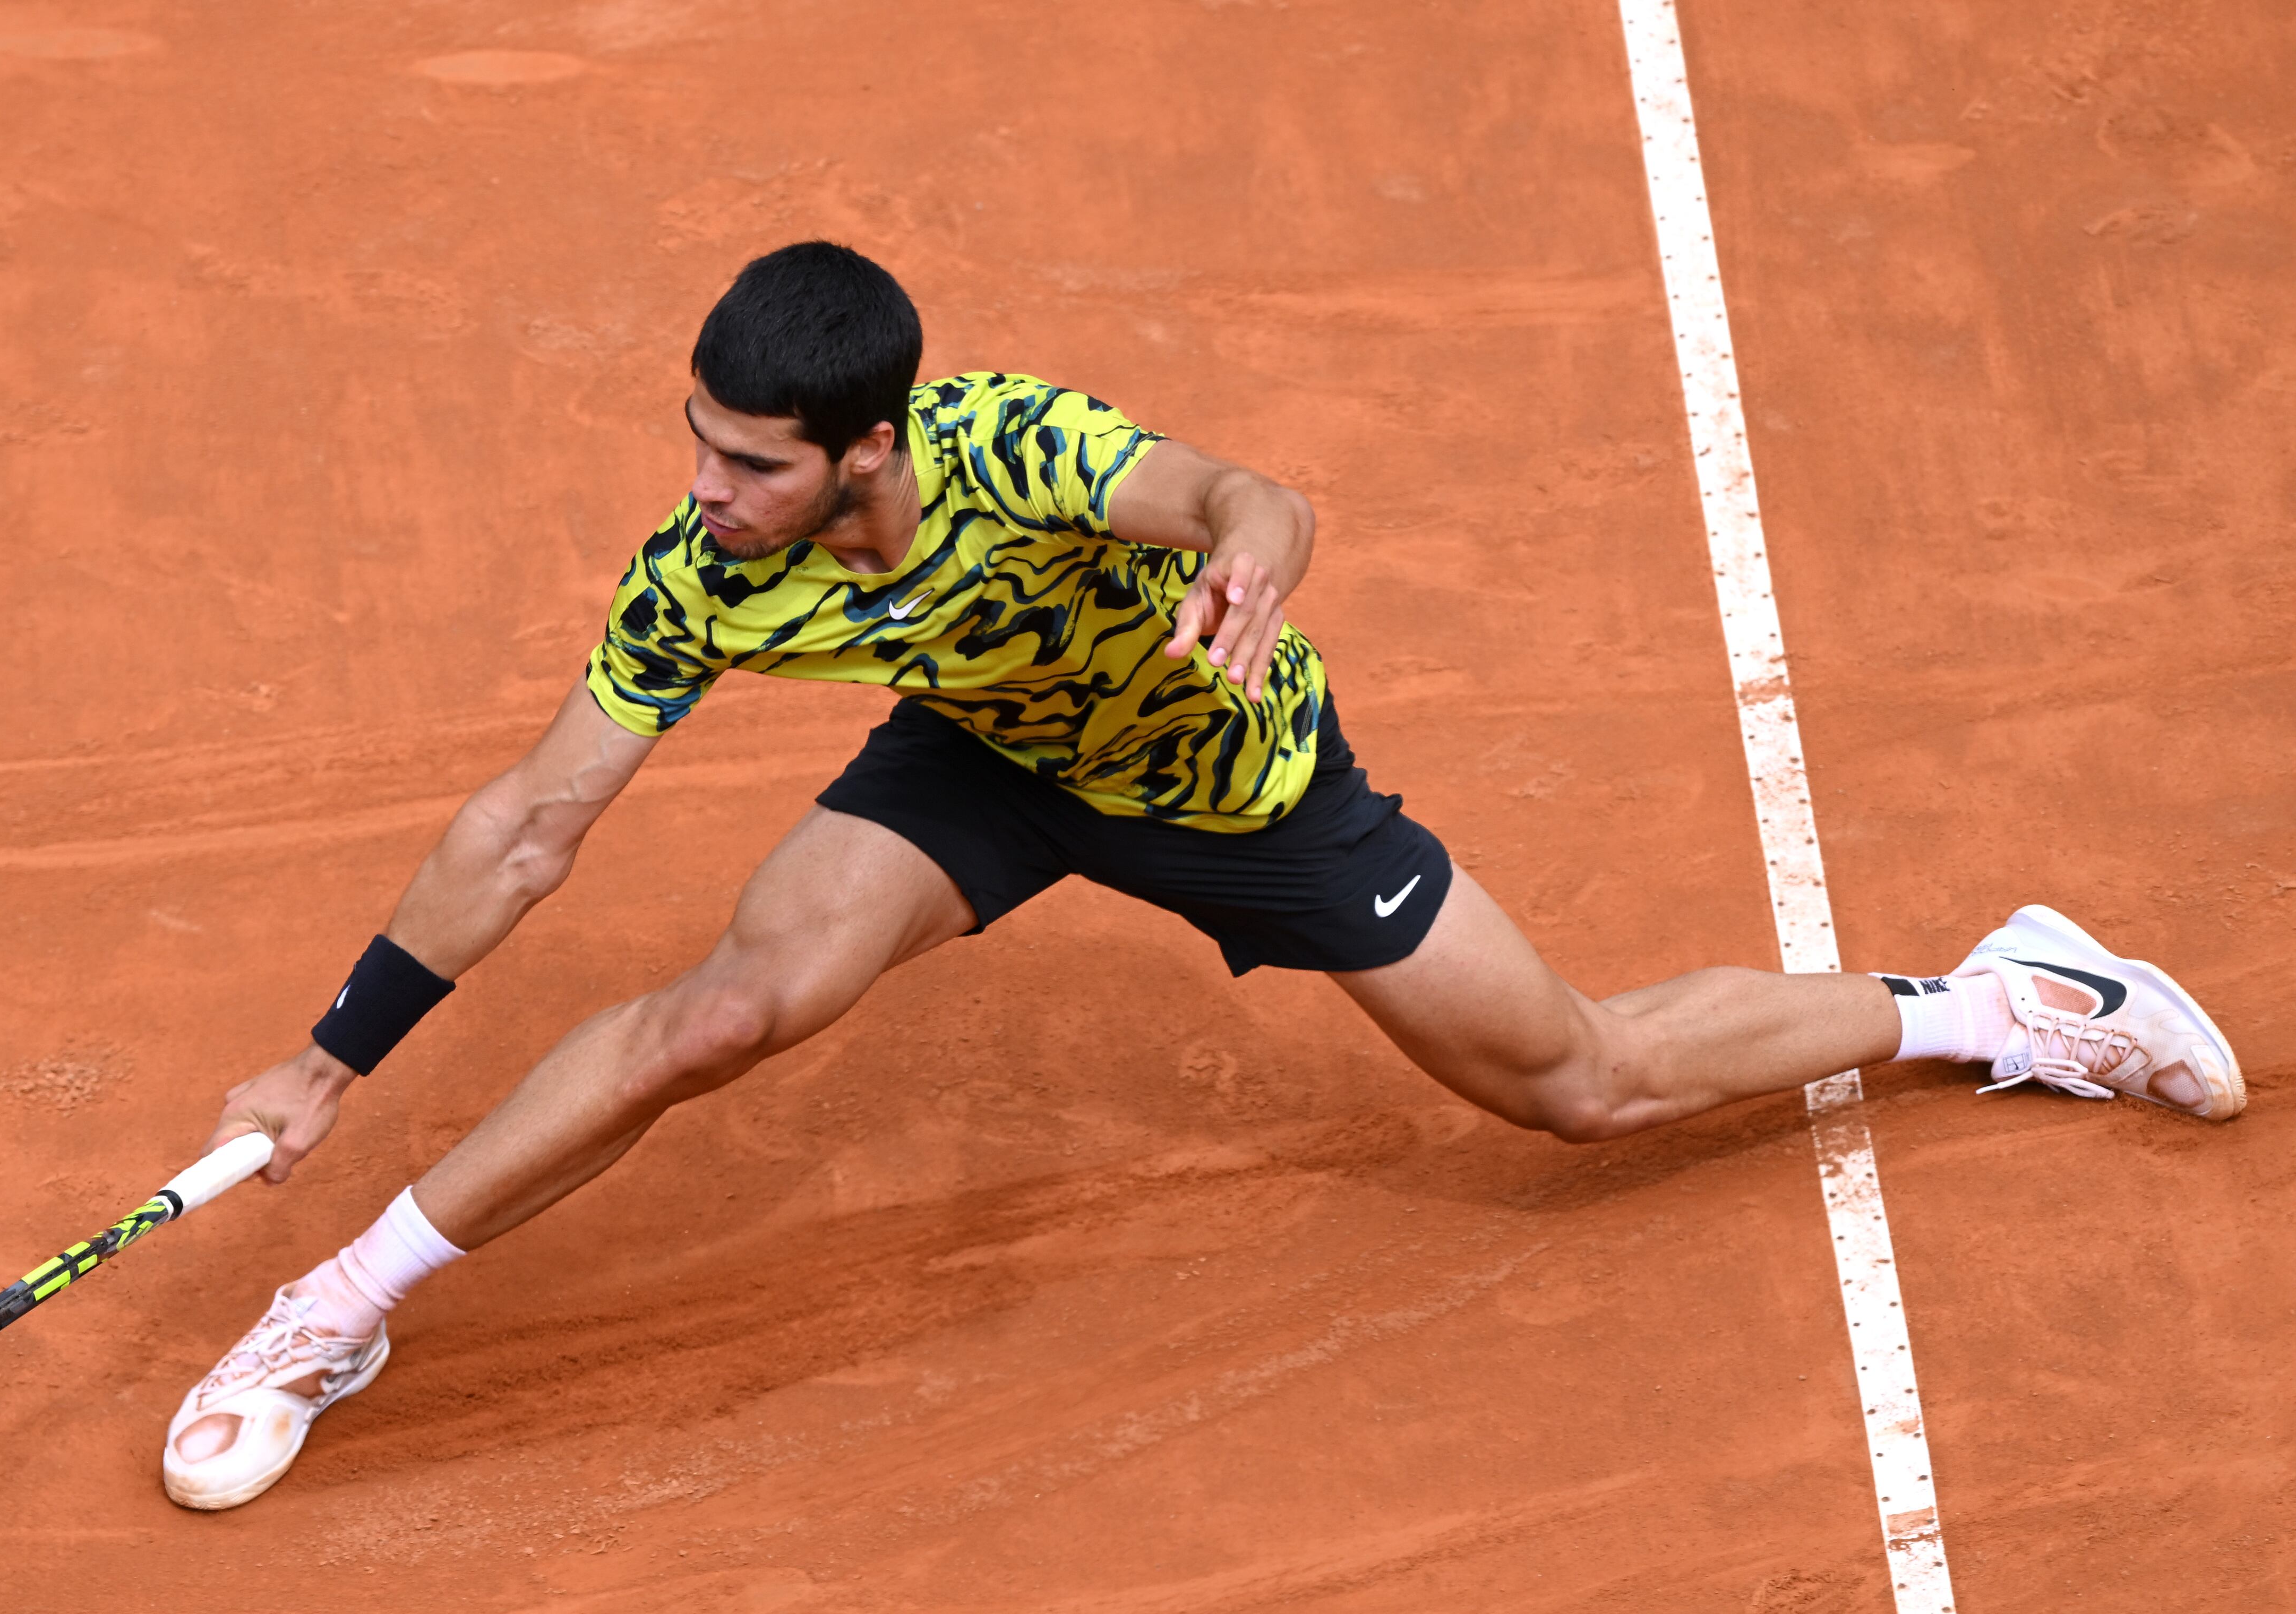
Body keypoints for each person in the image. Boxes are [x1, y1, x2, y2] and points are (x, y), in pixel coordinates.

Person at [159, 242, 2245, 1512]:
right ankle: (327, 1320)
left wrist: (1251, 556)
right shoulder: (700, 578)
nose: (704, 494)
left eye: (750, 462)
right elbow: (533, 818)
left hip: (1235, 779)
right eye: (696, 446)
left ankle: (2001, 999)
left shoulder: (1019, 451)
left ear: (871, 449)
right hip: (979, 769)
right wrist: (327, 1058)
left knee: (1577, 1085)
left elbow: (1252, 487)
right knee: (716, 1014)